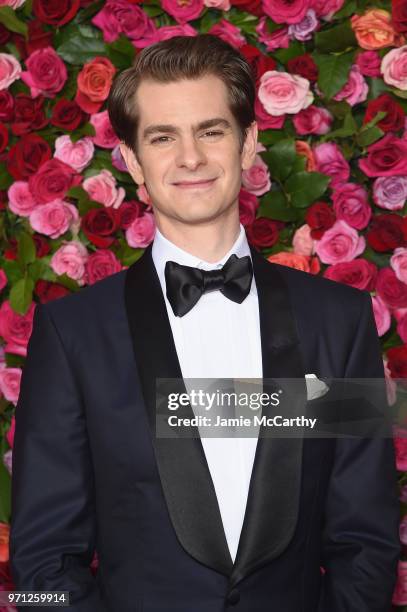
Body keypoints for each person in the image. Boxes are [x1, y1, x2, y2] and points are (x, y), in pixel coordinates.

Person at [10, 34, 400, 612]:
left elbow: (366, 540)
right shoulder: (72, 335)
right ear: (134, 163)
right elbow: (37, 571)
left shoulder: (339, 322)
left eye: (211, 131)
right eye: (163, 137)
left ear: (248, 145)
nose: (190, 157)